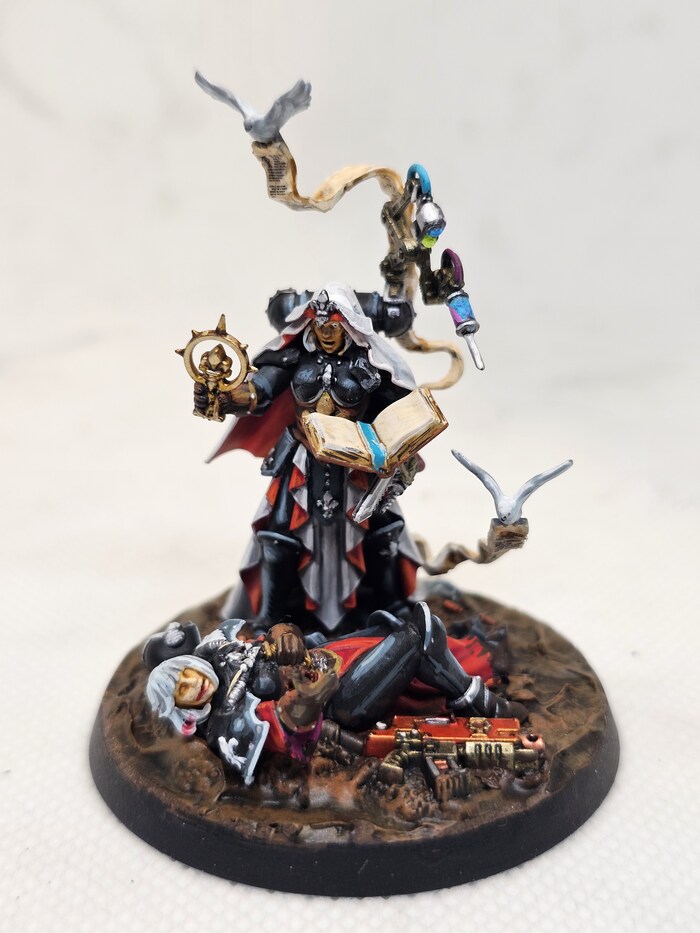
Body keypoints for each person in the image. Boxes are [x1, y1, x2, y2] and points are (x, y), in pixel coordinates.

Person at [196, 282, 426, 635]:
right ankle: (270, 618)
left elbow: (401, 408)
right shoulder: (295, 357)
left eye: (333, 325)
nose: (326, 333)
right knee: (278, 533)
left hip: (357, 463)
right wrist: (224, 397)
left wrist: (396, 449)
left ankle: (390, 606)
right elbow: (259, 391)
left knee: (382, 530)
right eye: (319, 326)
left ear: (348, 324)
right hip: (302, 459)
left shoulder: (369, 362)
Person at [144, 603, 527, 786]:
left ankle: (469, 694)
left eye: (187, 675)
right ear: (181, 709)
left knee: (410, 627)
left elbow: (268, 634)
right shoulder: (225, 723)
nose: (195, 685)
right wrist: (307, 701)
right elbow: (282, 731)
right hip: (339, 704)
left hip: (327, 658)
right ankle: (478, 702)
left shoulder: (220, 653)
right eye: (184, 692)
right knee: (418, 635)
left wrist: (283, 635)